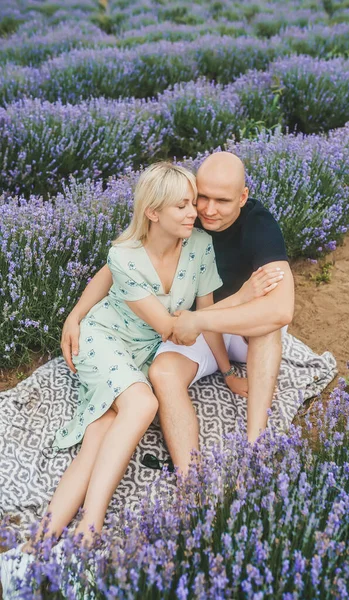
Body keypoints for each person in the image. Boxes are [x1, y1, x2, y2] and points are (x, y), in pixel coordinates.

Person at [0, 160, 259, 592]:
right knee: (142, 403)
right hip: (103, 341)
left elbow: (207, 316)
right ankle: (89, 532)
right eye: (182, 206)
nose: (194, 212)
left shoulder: (198, 247)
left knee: (102, 431)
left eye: (191, 203)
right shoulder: (123, 257)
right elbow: (173, 329)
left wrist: (229, 370)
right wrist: (246, 296)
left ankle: (32, 550)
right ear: (153, 212)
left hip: (139, 354)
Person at [62, 152, 294, 476]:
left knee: (266, 325)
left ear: (243, 197)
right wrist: (75, 316)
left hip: (224, 324)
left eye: (223, 201)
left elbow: (281, 310)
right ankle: (190, 482)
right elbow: (120, 265)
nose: (208, 210)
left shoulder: (259, 223)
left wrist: (201, 319)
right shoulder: (187, 211)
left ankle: (255, 444)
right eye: (203, 198)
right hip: (193, 325)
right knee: (163, 373)